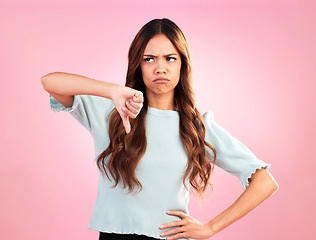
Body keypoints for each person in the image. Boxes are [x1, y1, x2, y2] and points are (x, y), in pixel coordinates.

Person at [41, 18, 278, 240]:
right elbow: (49, 82)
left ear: (182, 65)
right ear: (138, 65)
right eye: (149, 59)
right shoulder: (109, 112)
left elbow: (264, 181)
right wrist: (112, 91)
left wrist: (210, 228)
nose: (160, 68)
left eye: (170, 58)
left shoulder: (196, 128)